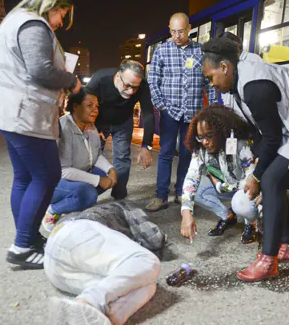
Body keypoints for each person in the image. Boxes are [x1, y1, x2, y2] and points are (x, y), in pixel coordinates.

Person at [201, 36, 289, 282]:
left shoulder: (254, 85)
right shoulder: (238, 80)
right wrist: (257, 166)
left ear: (225, 68)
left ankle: (268, 261)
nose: (211, 84)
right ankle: (287, 246)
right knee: (273, 180)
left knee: (270, 181)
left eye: (210, 77)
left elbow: (272, 138)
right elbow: (259, 133)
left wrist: (256, 175)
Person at [0, 0, 81, 269]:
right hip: (24, 115)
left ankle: (27, 239)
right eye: (61, 15)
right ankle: (22, 247)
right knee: (47, 175)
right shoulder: (33, 24)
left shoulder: (15, 21)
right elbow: (40, 69)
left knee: (25, 178)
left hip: (13, 114)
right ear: (50, 4)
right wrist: (71, 81)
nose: (60, 23)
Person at [45, 200, 165, 325]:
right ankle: (88, 301)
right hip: (76, 232)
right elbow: (154, 240)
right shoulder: (127, 205)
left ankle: (103, 322)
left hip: (54, 268)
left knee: (147, 285)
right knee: (146, 260)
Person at [146, 12, 217, 212]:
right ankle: (161, 196)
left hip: (193, 113)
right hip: (170, 112)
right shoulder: (162, 51)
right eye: (173, 31)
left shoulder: (201, 52)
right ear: (170, 30)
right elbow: (153, 80)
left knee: (187, 154)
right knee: (166, 154)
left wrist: (210, 110)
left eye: (180, 31)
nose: (176, 36)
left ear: (189, 29)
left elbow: (209, 82)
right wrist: (162, 106)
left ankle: (180, 193)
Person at [179, 104, 260, 244]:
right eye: (200, 137)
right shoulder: (201, 151)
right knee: (194, 191)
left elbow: (251, 181)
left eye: (209, 136)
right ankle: (227, 217)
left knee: (240, 203)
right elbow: (191, 178)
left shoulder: (239, 145)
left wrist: (222, 186)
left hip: (245, 189)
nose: (204, 142)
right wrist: (186, 212)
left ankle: (251, 224)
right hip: (226, 186)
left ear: (223, 131)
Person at [41, 89, 117, 233]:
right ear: (75, 106)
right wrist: (97, 180)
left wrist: (111, 169)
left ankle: (74, 202)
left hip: (75, 172)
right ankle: (52, 210)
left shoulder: (90, 126)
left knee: (109, 177)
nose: (95, 110)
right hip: (53, 182)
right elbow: (63, 170)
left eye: (96, 106)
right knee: (88, 193)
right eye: (90, 105)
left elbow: (95, 155)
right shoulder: (64, 127)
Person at [84, 60, 154, 200]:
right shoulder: (100, 78)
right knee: (89, 157)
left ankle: (119, 195)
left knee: (122, 160)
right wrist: (90, 127)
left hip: (123, 122)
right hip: (99, 121)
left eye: (135, 87)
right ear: (118, 75)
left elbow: (148, 113)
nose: (130, 91)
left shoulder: (143, 86)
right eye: (127, 85)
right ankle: (85, 194)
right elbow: (84, 105)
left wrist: (146, 145)